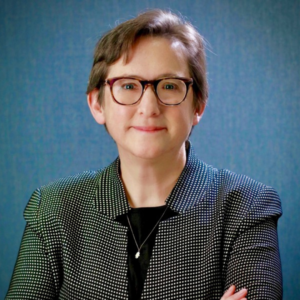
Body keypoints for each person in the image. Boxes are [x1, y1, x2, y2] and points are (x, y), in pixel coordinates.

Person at [6, 9, 282, 300]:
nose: (149, 107)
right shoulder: (52, 209)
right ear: (97, 104)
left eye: (170, 86)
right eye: (128, 85)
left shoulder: (248, 208)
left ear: (198, 105)